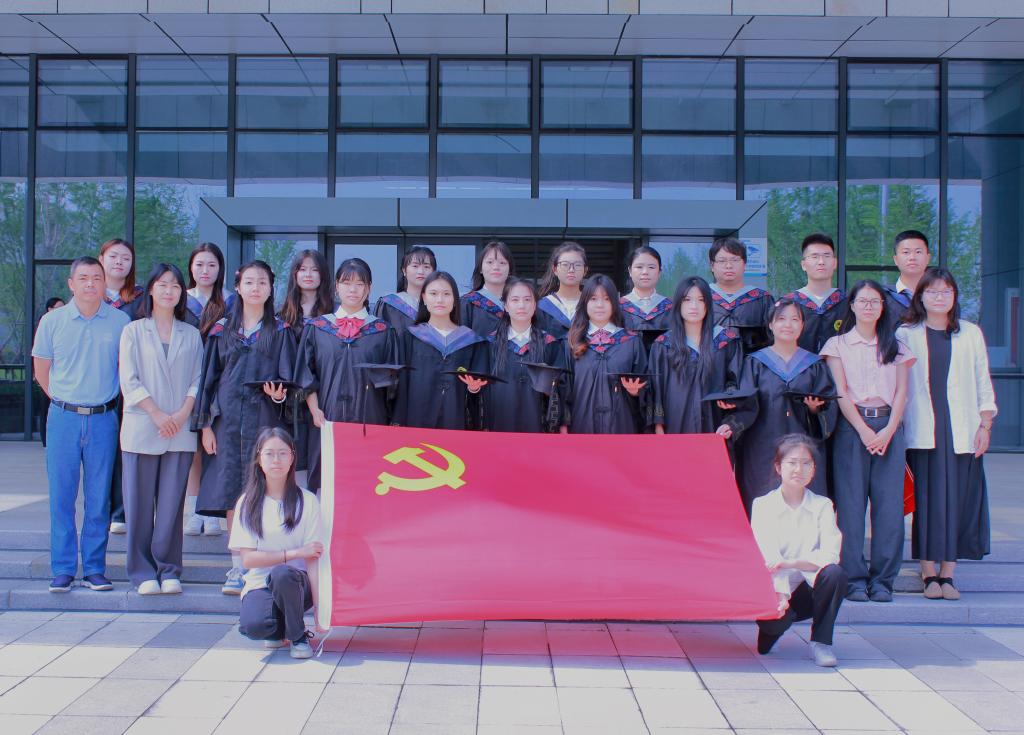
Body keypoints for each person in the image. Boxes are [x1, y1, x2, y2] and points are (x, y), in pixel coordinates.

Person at [193, 260, 297, 595]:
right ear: (237, 287)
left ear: (271, 288)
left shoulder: (280, 331)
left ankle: (264, 567)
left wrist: (280, 396)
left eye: (262, 282)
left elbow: (289, 380)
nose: (256, 288)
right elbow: (208, 381)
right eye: (249, 282)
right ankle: (238, 567)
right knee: (231, 493)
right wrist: (206, 426)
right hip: (226, 423)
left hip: (265, 423)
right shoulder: (221, 330)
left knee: (265, 491)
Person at [32, 256, 130, 593]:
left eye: (96, 278)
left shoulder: (120, 321)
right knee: (62, 496)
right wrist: (66, 400)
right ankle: (62, 569)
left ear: (104, 283)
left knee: (98, 497)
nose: (91, 284)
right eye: (84, 278)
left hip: (104, 419)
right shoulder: (52, 321)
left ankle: (94, 569)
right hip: (64, 418)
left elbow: (124, 369)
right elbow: (42, 370)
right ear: (71, 284)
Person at [898, 268, 996, 601]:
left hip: (961, 428)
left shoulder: (970, 333)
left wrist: (985, 424)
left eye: (946, 291)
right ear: (921, 296)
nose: (939, 297)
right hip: (923, 429)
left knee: (957, 500)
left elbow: (982, 378)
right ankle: (928, 572)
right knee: (926, 502)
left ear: (954, 296)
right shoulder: (905, 334)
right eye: (932, 291)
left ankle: (948, 573)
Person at [821, 280, 915, 603]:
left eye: (875, 301)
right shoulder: (837, 345)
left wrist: (888, 430)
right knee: (850, 506)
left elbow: (902, 392)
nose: (869, 306)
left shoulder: (896, 346)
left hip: (889, 426)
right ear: (852, 305)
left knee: (889, 507)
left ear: (883, 307)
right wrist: (863, 430)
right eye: (863, 301)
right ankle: (853, 579)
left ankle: (883, 580)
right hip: (852, 427)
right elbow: (840, 392)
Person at [119, 264, 203, 595]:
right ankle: (142, 572)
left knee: (170, 506)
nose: (169, 291)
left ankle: (169, 569)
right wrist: (156, 413)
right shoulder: (133, 331)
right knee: (138, 505)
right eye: (162, 284)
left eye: (175, 286)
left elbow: (198, 378)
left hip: (179, 429)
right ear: (151, 289)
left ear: (182, 292)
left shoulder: (191, 334)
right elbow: (129, 379)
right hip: (143, 426)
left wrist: (181, 414)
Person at [296, 258, 398, 491]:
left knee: (367, 481)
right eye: (346, 283)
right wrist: (314, 409)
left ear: (369, 288)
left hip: (370, 418)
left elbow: (392, 383)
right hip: (326, 417)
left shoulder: (382, 331)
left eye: (360, 284)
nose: (353, 289)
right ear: (336, 287)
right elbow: (306, 373)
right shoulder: (318, 328)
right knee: (327, 480)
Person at [730, 298, 838, 512]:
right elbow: (745, 405)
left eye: (795, 319)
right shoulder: (754, 363)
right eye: (781, 319)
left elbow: (828, 408)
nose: (788, 325)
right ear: (770, 324)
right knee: (761, 496)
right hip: (761, 446)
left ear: (802, 325)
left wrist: (815, 409)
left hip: (803, 443)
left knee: (804, 501)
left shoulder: (814, 364)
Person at [751, 433, 846, 668]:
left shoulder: (822, 505)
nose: (798, 469)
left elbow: (830, 554)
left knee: (834, 574)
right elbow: (769, 556)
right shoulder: (763, 505)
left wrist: (792, 563)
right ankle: (775, 628)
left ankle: (821, 643)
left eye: (806, 463)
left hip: (808, 589)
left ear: (813, 469)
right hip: (774, 589)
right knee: (769, 636)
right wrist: (782, 594)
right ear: (778, 467)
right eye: (792, 462)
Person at [231, 427, 326, 659]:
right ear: (259, 458)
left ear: (292, 458)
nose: (276, 460)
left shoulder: (308, 501)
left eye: (283, 453)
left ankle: (298, 636)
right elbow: (248, 559)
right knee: (254, 626)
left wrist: (320, 610)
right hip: (260, 583)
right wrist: (293, 553)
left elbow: (313, 559)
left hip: (297, 585)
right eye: (270, 453)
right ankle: (279, 629)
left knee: (282, 573)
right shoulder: (247, 503)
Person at [392, 271, 490, 430]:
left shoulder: (471, 341)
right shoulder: (410, 337)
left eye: (446, 294)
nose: (440, 300)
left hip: (456, 422)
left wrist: (474, 388)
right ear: (424, 298)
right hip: (416, 422)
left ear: (455, 300)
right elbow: (401, 385)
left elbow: (481, 392)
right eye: (433, 293)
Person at [650, 277, 742, 436]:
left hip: (716, 426)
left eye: (701, 300)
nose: (694, 306)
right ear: (678, 304)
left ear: (708, 304)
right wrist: (658, 424)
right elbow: (655, 389)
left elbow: (736, 381)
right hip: (674, 426)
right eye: (687, 300)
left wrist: (730, 399)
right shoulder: (663, 345)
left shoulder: (726, 341)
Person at [563, 274, 648, 434]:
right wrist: (563, 425)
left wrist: (637, 392)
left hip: (621, 427)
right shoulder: (572, 342)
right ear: (585, 303)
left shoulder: (631, 342)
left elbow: (647, 387)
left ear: (614, 303)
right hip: (582, 427)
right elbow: (563, 389)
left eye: (607, 299)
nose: (600, 305)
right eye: (593, 299)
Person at [278, 250, 334, 488]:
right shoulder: (282, 315)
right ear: (294, 274)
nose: (308, 274)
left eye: (314, 269)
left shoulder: (334, 314)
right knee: (294, 454)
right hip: (290, 396)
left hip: (325, 392)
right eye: (303, 269)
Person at [99, 238, 143, 536]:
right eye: (114, 256)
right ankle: (101, 510)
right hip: (98, 383)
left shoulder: (139, 300)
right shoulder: (91, 296)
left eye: (125, 258)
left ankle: (122, 511)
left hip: (130, 385)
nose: (119, 262)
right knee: (102, 452)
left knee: (124, 449)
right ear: (102, 259)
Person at [184, 243, 228, 538]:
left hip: (218, 381)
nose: (205, 270)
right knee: (193, 451)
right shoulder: (181, 300)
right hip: (186, 381)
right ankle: (193, 512)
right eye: (200, 264)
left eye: (211, 265)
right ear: (191, 267)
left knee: (214, 446)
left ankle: (212, 512)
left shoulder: (231, 301)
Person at [484, 278, 567, 433]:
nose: (521, 305)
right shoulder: (490, 343)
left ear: (535, 305)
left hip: (538, 428)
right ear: (506, 306)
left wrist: (550, 388)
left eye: (527, 300)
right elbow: (483, 390)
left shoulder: (549, 344)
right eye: (515, 300)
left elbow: (562, 387)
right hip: (499, 426)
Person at [708, 237, 774, 355]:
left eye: (735, 260)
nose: (729, 265)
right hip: (708, 364)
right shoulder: (702, 298)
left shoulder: (762, 299)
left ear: (744, 264)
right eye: (722, 261)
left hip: (751, 365)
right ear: (712, 266)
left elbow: (772, 341)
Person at [784, 233, 847, 354]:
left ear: (835, 263)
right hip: (798, 365)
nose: (821, 262)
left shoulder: (848, 303)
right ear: (803, 265)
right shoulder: (788, 303)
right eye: (814, 256)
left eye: (827, 256)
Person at [374, 246, 436, 337]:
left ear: (434, 272)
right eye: (415, 266)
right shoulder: (389, 304)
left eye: (426, 266)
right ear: (404, 270)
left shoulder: (441, 305)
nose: (421, 271)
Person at [461, 240, 514, 338]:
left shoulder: (520, 302)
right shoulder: (468, 303)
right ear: (480, 269)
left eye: (502, 263)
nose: (496, 267)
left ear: (509, 270)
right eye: (490, 262)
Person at [537, 241, 587, 340]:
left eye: (577, 265)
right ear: (555, 269)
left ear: (585, 270)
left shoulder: (592, 305)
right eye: (565, 264)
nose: (571, 269)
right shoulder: (541, 306)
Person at [619, 245, 673, 336]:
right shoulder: (617, 307)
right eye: (639, 267)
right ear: (630, 271)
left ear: (659, 272)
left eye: (651, 267)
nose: (645, 272)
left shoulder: (671, 307)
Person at [884, 230, 932, 326]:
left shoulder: (942, 297)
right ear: (896, 259)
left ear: (928, 258)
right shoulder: (882, 297)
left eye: (918, 252)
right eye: (906, 252)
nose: (912, 257)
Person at [36, 297, 66, 447]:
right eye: (58, 307)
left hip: (59, 376)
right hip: (47, 374)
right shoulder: (46, 323)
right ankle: (45, 439)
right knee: (46, 408)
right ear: (50, 309)